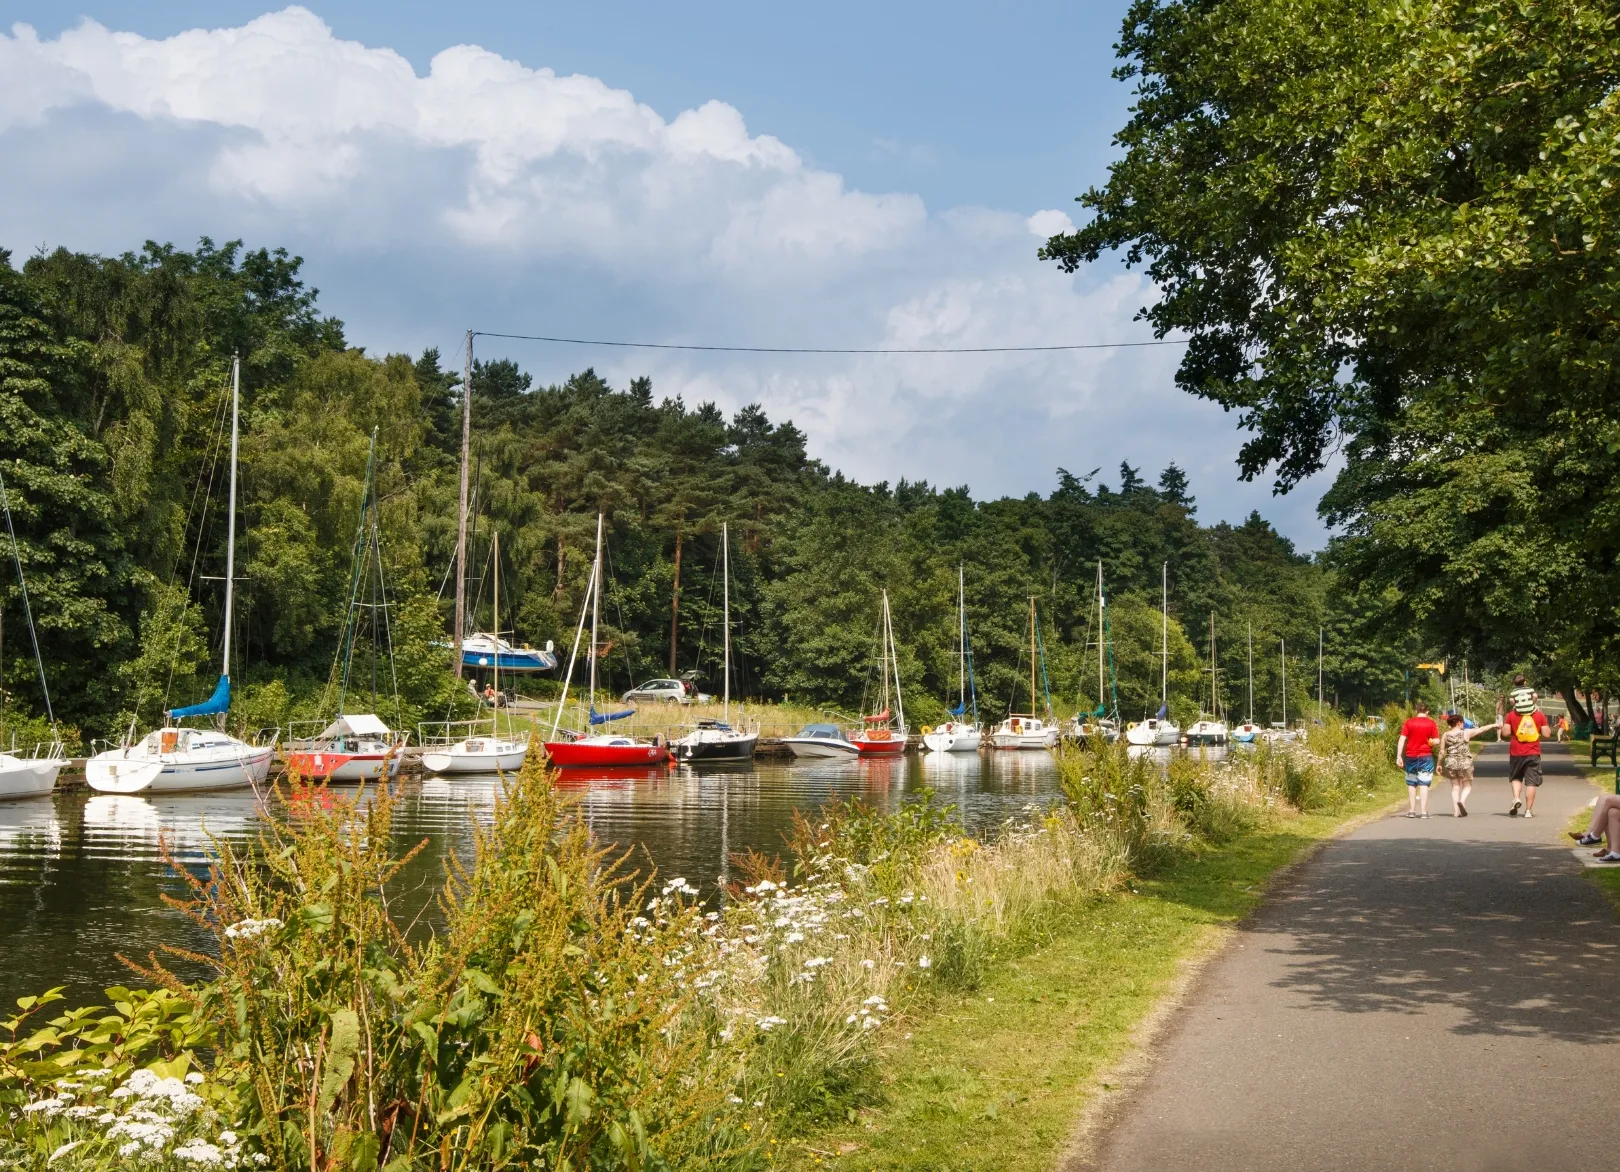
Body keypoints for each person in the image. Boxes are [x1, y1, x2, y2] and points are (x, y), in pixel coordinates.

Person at [1437, 713, 1495, 817]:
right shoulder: (1466, 733)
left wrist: (1439, 764)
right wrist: (1493, 725)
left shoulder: (1445, 735)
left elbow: (1441, 752)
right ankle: (1462, 801)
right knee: (1467, 786)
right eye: (1463, 722)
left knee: (1455, 787)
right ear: (1459, 723)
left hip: (1451, 762)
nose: (1463, 724)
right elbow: (1481, 729)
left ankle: (1456, 811)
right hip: (1465, 763)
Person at [1500, 700, 1551, 817]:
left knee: (1516, 777)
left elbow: (1506, 733)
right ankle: (1528, 811)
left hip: (1516, 752)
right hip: (1533, 752)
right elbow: (1547, 734)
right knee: (1531, 782)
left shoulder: (1511, 714)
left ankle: (1516, 798)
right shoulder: (1539, 715)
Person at [1395, 700, 1441, 818]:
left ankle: (1411, 811)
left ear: (1416, 710)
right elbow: (1437, 740)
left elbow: (1402, 739)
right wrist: (1431, 742)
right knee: (1424, 784)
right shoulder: (1431, 723)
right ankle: (1424, 812)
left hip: (1410, 756)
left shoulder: (1409, 722)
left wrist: (1399, 756)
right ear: (1427, 711)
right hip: (1426, 756)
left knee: (1411, 783)